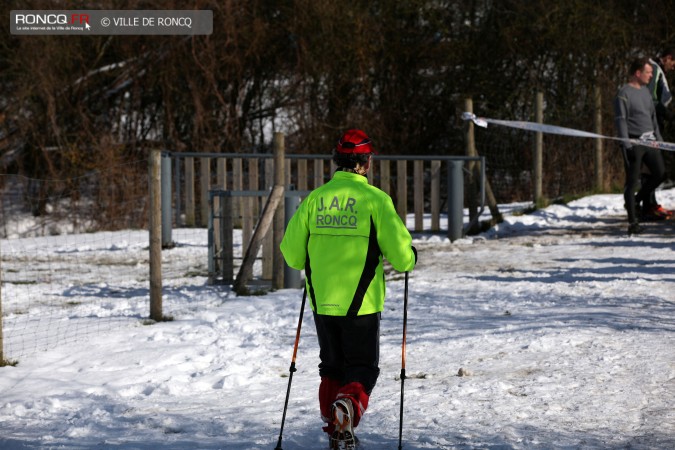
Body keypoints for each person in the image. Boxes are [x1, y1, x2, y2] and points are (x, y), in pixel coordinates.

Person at [280, 129, 417, 449]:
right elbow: (401, 257)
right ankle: (348, 408)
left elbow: (292, 254)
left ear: (336, 162)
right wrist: (410, 257)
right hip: (363, 304)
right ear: (367, 163)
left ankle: (335, 427)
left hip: (323, 302)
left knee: (331, 366)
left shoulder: (315, 200)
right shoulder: (376, 201)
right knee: (362, 366)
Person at [614, 57, 666, 235]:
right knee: (632, 181)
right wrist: (626, 144)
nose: (651, 76)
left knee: (660, 174)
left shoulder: (646, 93)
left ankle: (637, 200)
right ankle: (633, 223)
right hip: (634, 143)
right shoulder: (624, 93)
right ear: (638, 73)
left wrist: (658, 140)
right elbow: (621, 120)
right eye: (648, 72)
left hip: (650, 141)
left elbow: (653, 119)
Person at [641, 47, 675, 220]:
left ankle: (649, 203)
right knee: (653, 167)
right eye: (673, 62)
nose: (674, 66)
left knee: (653, 166)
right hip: (651, 124)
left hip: (654, 122)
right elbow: (651, 99)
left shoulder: (656, 69)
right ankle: (646, 204)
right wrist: (668, 114)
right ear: (668, 58)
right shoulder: (654, 69)